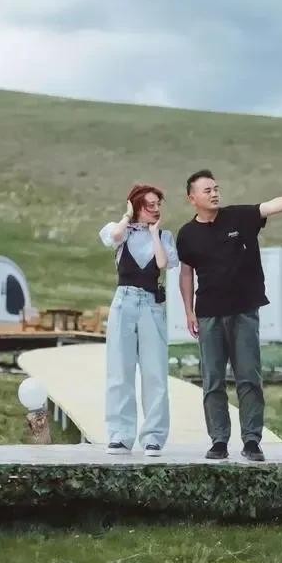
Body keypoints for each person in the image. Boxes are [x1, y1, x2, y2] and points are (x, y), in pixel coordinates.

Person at [176, 169, 282, 461]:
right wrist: (188, 311)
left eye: (216, 188)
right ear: (192, 198)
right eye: (207, 190)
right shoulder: (187, 234)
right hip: (209, 314)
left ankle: (251, 440)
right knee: (212, 380)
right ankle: (219, 440)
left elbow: (271, 206)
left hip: (244, 310)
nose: (214, 193)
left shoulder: (239, 217)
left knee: (248, 377)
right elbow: (186, 273)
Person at [99, 183, 178, 456]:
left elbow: (163, 264)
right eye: (149, 205)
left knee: (155, 372)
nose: (155, 209)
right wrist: (127, 215)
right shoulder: (121, 231)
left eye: (158, 204)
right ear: (136, 207)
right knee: (119, 370)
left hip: (151, 305)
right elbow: (113, 237)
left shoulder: (165, 236)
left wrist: (154, 233)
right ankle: (120, 435)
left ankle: (153, 437)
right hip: (124, 302)